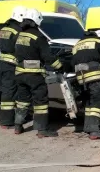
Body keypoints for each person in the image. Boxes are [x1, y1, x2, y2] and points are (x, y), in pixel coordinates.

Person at [13, 8, 64, 137]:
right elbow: (47, 57)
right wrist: (59, 66)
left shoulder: (20, 35)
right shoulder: (38, 36)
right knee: (40, 101)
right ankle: (42, 130)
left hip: (20, 74)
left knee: (22, 100)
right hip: (34, 74)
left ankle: (18, 126)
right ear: (37, 20)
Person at [71, 30, 100, 139]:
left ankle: (89, 128)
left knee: (89, 103)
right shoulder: (98, 41)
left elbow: (72, 62)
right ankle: (95, 131)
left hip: (81, 79)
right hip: (95, 77)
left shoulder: (77, 44)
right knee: (98, 102)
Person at [0, 6, 27, 129]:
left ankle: (6, 119)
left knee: (7, 91)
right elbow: (20, 47)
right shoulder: (17, 30)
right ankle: (6, 121)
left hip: (3, 63)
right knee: (10, 91)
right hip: (11, 64)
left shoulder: (5, 28)